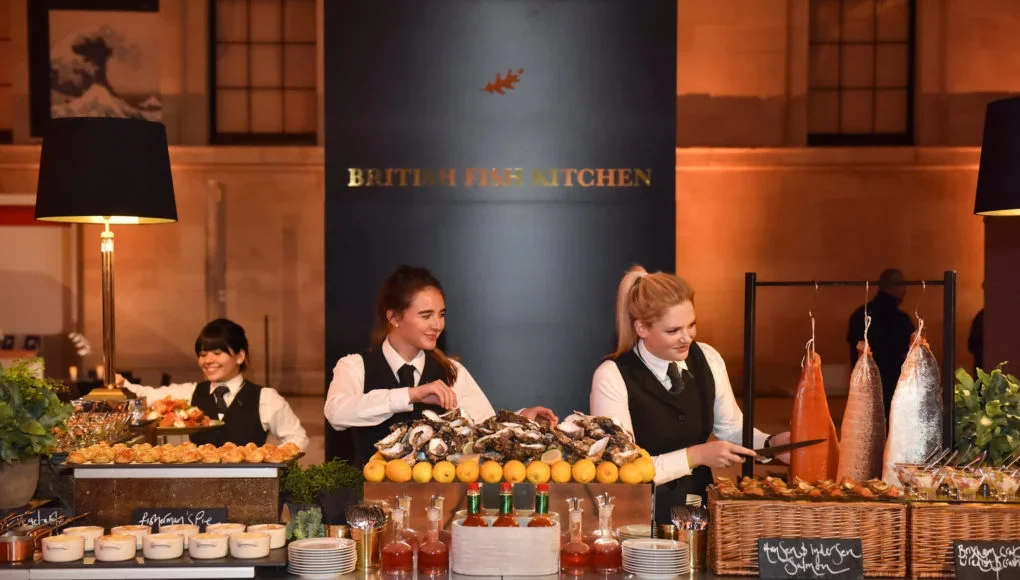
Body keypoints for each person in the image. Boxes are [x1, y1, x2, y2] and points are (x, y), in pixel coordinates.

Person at [590, 265, 790, 523]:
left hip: (697, 511)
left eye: (692, 325)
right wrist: (696, 456)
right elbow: (623, 468)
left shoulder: (708, 358)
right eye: (673, 331)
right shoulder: (611, 376)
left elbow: (731, 429)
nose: (687, 338)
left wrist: (771, 444)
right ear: (641, 328)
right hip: (637, 518)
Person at [324, 265, 559, 466]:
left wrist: (522, 418)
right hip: (368, 508)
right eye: (426, 316)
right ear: (394, 317)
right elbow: (337, 413)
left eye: (441, 314)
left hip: (434, 506)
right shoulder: (354, 366)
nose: (437, 325)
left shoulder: (451, 371)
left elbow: (485, 428)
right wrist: (412, 395)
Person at [117, 318, 309, 450]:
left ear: (240, 356)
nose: (208, 360)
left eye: (217, 353)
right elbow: (146, 395)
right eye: (202, 354)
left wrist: (270, 458)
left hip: (249, 492)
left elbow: (298, 438)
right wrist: (119, 383)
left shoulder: (266, 398)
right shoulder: (190, 394)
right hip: (199, 495)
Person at [845, 269, 915, 420]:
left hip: (863, 384)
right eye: (902, 286)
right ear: (894, 287)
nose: (905, 291)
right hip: (893, 386)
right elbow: (909, 354)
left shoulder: (859, 315)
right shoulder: (900, 320)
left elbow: (853, 350)